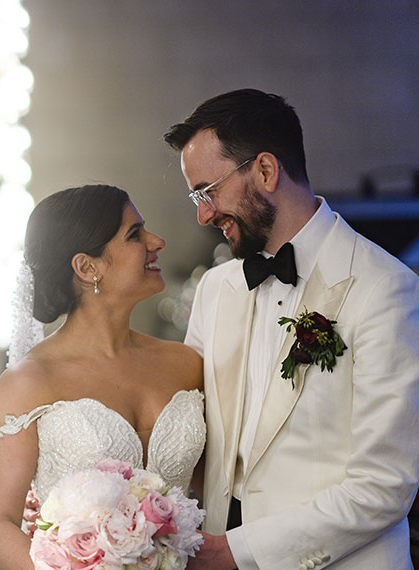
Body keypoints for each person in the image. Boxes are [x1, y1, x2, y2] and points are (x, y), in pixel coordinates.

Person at [164, 88, 419, 569]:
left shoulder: (385, 288)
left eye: (207, 191)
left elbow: (384, 484)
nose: (202, 214)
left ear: (264, 170)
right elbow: (188, 432)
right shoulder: (216, 289)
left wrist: (238, 553)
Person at [0, 184, 205, 570]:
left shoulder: (184, 363)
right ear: (87, 267)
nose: (157, 241)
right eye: (135, 234)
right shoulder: (27, 384)